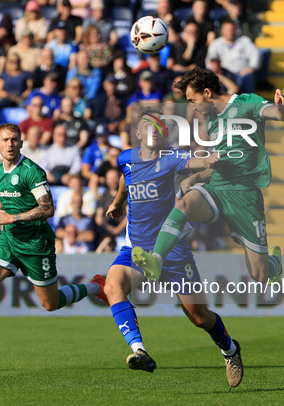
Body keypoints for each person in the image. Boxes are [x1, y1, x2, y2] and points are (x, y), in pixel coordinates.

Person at [104, 108, 242, 387]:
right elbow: (124, 177)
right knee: (112, 286)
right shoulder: (125, 158)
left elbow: (193, 161)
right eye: (148, 126)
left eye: (159, 127)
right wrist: (118, 202)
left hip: (173, 252)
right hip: (137, 249)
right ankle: (139, 351)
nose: (154, 131)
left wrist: (211, 158)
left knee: (198, 316)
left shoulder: (170, 159)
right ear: (139, 133)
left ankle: (230, 349)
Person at [0, 123, 106, 367]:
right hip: (10, 240)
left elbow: (48, 208)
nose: (10, 144)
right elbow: (1, 198)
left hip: (36, 244)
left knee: (50, 303)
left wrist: (13, 218)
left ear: (21, 143)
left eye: (14, 139)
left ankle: (97, 287)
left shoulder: (32, 171)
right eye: (5, 140)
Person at [133, 67, 284, 295]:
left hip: (244, 194)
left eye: (192, 100)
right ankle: (156, 260)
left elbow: (277, 114)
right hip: (216, 188)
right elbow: (218, 164)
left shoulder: (247, 102)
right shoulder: (212, 122)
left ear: (207, 92)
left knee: (260, 275)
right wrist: (196, 177)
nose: (192, 107)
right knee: (183, 204)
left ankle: (273, 263)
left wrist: (282, 109)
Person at [205, 21, 259, 93]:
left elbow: (255, 54)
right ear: (222, 31)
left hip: (241, 73)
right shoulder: (215, 44)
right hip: (224, 74)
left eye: (232, 29)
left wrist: (252, 67)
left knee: (248, 77)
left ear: (236, 30)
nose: (230, 31)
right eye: (227, 29)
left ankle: (250, 103)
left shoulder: (244, 41)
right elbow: (209, 61)